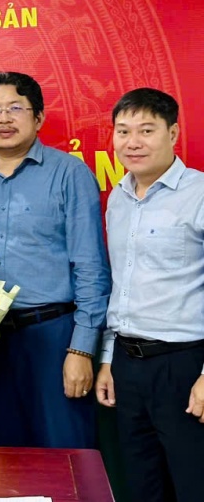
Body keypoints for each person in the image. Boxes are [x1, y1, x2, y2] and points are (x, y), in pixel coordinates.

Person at [0, 71, 110, 449]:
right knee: (3, 456)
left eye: (15, 108)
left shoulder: (69, 173)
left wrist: (81, 349)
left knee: (65, 452)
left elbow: (91, 266)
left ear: (38, 117)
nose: (4, 119)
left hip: (53, 335)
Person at [95, 88, 204, 502]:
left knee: (194, 484)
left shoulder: (199, 194)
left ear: (172, 133)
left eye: (146, 130)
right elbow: (119, 283)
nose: (133, 142)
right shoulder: (118, 199)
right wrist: (108, 358)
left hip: (184, 365)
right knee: (140, 486)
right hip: (127, 365)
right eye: (123, 131)